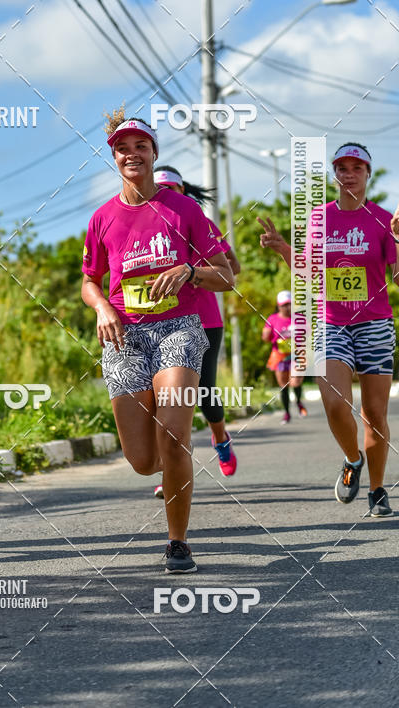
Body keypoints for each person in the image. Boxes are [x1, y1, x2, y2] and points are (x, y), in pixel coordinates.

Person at [81, 114, 234, 573]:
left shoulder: (184, 211)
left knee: (175, 434)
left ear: (154, 154)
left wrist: (190, 271)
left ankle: (177, 542)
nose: (132, 153)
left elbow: (225, 276)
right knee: (144, 462)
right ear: (114, 158)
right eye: (122, 147)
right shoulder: (102, 218)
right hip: (126, 337)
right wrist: (102, 308)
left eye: (140, 145)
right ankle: (167, 474)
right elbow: (89, 281)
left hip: (179, 328)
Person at [259, 143, 397, 516]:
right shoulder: (318, 219)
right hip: (331, 324)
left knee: (374, 412)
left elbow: (397, 276)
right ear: (335, 174)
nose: (349, 173)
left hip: (375, 325)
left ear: (368, 173)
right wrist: (282, 247)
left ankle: (378, 489)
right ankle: (353, 460)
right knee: (336, 403)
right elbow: (305, 271)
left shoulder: (385, 220)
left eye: (357, 167)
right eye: (342, 167)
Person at [151, 165, 240, 498]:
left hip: (204, 319)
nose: (166, 196)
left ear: (183, 192)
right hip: (160, 321)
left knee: (203, 390)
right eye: (160, 189)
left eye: (172, 189)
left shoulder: (200, 222)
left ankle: (220, 436)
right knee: (167, 398)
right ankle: (170, 469)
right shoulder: (145, 227)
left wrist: (194, 271)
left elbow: (232, 270)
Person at [262, 290, 307, 424]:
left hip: (296, 355)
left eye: (289, 304)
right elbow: (265, 337)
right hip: (280, 356)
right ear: (278, 306)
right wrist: (267, 333)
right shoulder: (273, 319)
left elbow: (308, 333)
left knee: (296, 382)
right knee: (284, 385)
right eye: (284, 305)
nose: (287, 307)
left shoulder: (299, 318)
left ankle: (299, 402)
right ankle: (287, 413)